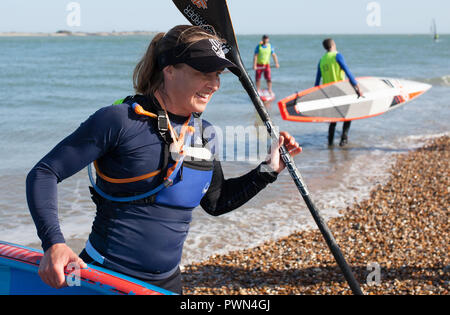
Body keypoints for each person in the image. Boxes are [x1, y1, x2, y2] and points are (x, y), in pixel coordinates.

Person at [26, 25, 302, 294]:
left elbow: (217, 202)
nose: (215, 84)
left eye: (218, 74)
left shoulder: (205, 133)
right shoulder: (121, 120)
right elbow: (44, 172)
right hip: (103, 277)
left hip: (168, 284)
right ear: (169, 70)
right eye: (203, 73)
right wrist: (54, 244)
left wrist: (268, 170)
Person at [315, 38, 363, 146]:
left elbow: (317, 82)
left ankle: (330, 143)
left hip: (328, 93)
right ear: (333, 45)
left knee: (333, 119)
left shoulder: (321, 60)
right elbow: (347, 71)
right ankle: (343, 139)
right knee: (348, 115)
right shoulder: (337, 56)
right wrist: (357, 87)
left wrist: (316, 97)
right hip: (340, 91)